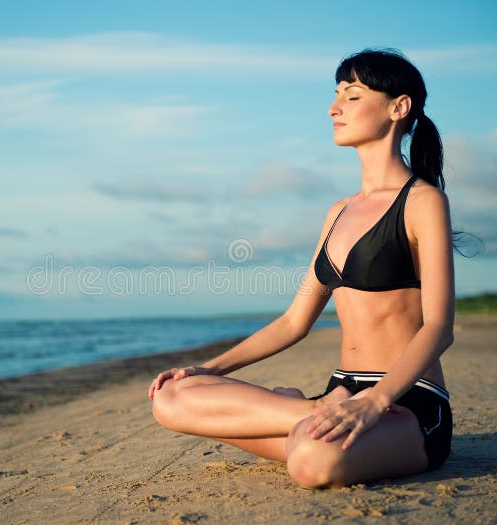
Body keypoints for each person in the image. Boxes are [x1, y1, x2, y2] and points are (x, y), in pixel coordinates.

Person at [148, 48, 457, 488]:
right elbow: (295, 322)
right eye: (335, 96)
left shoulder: (422, 202)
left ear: (398, 107)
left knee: (313, 462)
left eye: (351, 96)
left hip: (405, 402)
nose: (334, 108)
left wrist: (375, 401)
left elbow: (439, 328)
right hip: (337, 395)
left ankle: (305, 428)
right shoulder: (338, 212)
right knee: (170, 398)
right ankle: (309, 415)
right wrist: (211, 370)